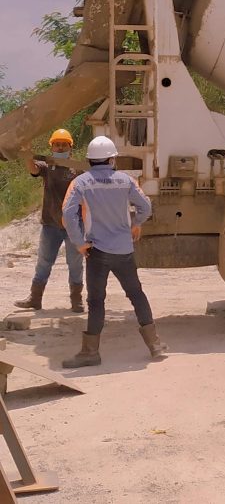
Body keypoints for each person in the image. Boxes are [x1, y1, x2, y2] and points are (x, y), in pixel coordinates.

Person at [61, 135, 168, 368]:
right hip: (124, 250)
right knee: (136, 294)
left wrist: (79, 243)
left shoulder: (80, 183)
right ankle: (155, 345)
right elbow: (145, 206)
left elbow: (68, 214)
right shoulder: (125, 180)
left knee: (96, 301)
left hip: (96, 251)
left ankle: (90, 353)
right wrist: (136, 224)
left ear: (89, 160)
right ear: (111, 159)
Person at [14, 129, 84, 313]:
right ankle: (35, 299)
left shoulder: (77, 169)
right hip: (50, 225)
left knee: (75, 263)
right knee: (44, 261)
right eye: (57, 144)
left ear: (70, 147)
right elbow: (33, 168)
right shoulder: (48, 166)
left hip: (73, 226)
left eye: (64, 144)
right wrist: (27, 152)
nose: (60, 147)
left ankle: (77, 300)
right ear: (51, 146)